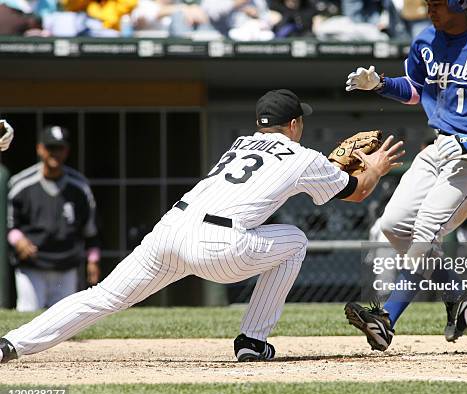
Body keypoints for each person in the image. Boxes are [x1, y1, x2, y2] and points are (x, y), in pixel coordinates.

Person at [0, 89, 404, 364]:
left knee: (103, 296)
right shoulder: (303, 155)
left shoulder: (242, 143)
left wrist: (333, 169)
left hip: (171, 230)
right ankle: (252, 340)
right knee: (295, 240)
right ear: (295, 124)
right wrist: (375, 168)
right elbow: (357, 192)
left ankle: (11, 343)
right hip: (220, 244)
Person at [343, 0, 467, 351]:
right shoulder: (424, 40)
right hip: (439, 146)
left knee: (425, 230)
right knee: (393, 224)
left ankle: (386, 318)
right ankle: (457, 290)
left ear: (460, 3)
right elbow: (418, 90)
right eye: (427, 2)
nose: (430, 8)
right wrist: (380, 84)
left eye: (437, 3)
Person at [6, 126, 101, 312]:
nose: (55, 153)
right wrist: (18, 240)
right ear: (40, 149)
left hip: (66, 266)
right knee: (28, 315)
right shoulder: (21, 184)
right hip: (32, 266)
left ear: (66, 151)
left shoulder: (79, 186)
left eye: (60, 148)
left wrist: (93, 259)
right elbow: (9, 226)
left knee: (65, 321)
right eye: (50, 147)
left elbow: (90, 228)